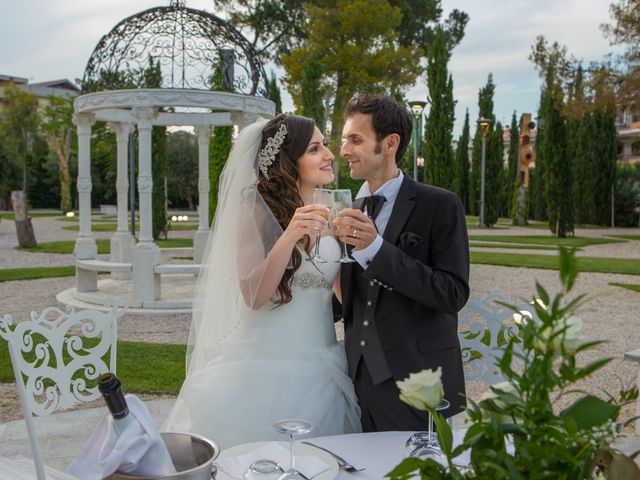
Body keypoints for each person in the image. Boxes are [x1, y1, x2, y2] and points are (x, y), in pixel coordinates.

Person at [163, 114, 361, 448]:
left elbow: (337, 291)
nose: (329, 155)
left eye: (325, 145)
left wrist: (353, 245)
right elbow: (253, 296)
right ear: (288, 161)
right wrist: (290, 236)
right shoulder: (253, 211)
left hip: (322, 364)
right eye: (315, 149)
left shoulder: (330, 211)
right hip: (264, 366)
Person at [333, 93, 470, 431]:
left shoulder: (439, 205)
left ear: (390, 143)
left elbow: (452, 293)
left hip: (419, 380)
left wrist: (377, 250)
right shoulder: (349, 211)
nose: (344, 150)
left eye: (355, 139)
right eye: (343, 140)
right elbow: (347, 303)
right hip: (357, 378)